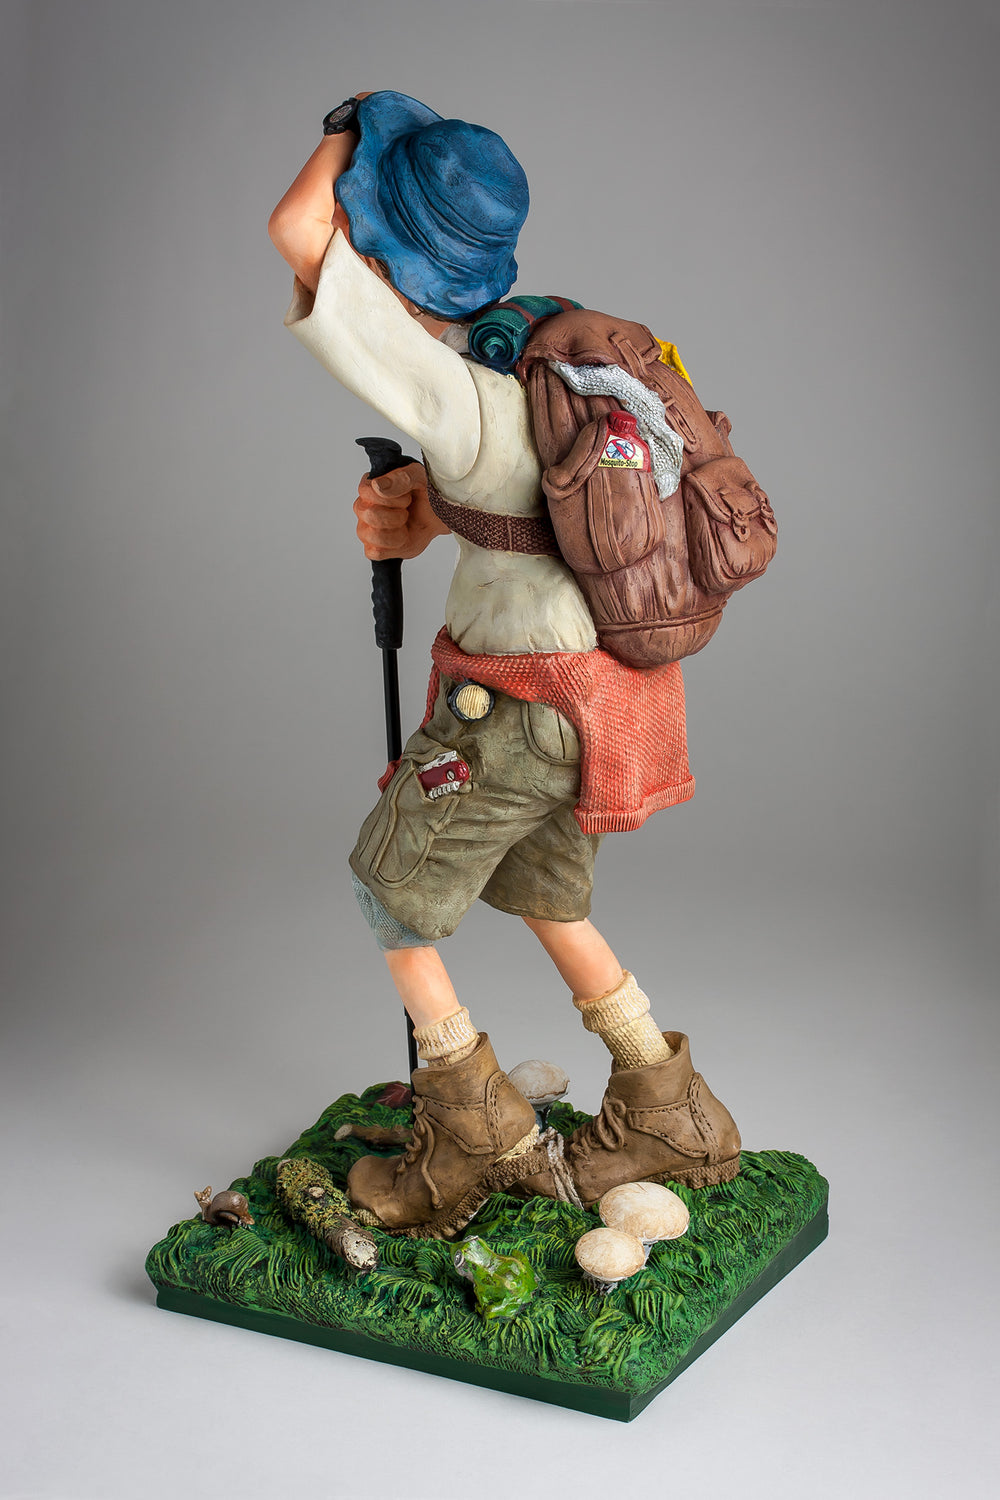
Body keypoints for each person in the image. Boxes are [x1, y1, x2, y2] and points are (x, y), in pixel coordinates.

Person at [269, 91, 740, 1236]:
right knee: (544, 895)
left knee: (387, 887)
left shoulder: (456, 389)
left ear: (391, 261)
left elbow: (296, 232)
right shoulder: (552, 356)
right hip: (600, 704)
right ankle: (667, 1102)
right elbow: (526, 512)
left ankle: (471, 1126)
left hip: (517, 709)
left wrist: (349, 120)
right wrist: (425, 513)